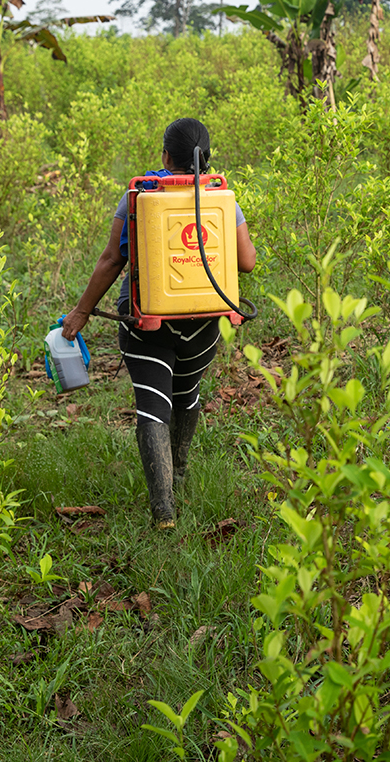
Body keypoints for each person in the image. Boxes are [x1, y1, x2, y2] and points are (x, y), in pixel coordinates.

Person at [61, 118, 256, 529]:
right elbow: (246, 262)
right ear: (208, 158)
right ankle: (179, 473)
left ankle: (163, 509)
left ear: (166, 156)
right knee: (187, 394)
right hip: (204, 322)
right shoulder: (223, 198)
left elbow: (113, 259)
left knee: (153, 405)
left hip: (146, 321)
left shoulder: (140, 194)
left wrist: (81, 311)